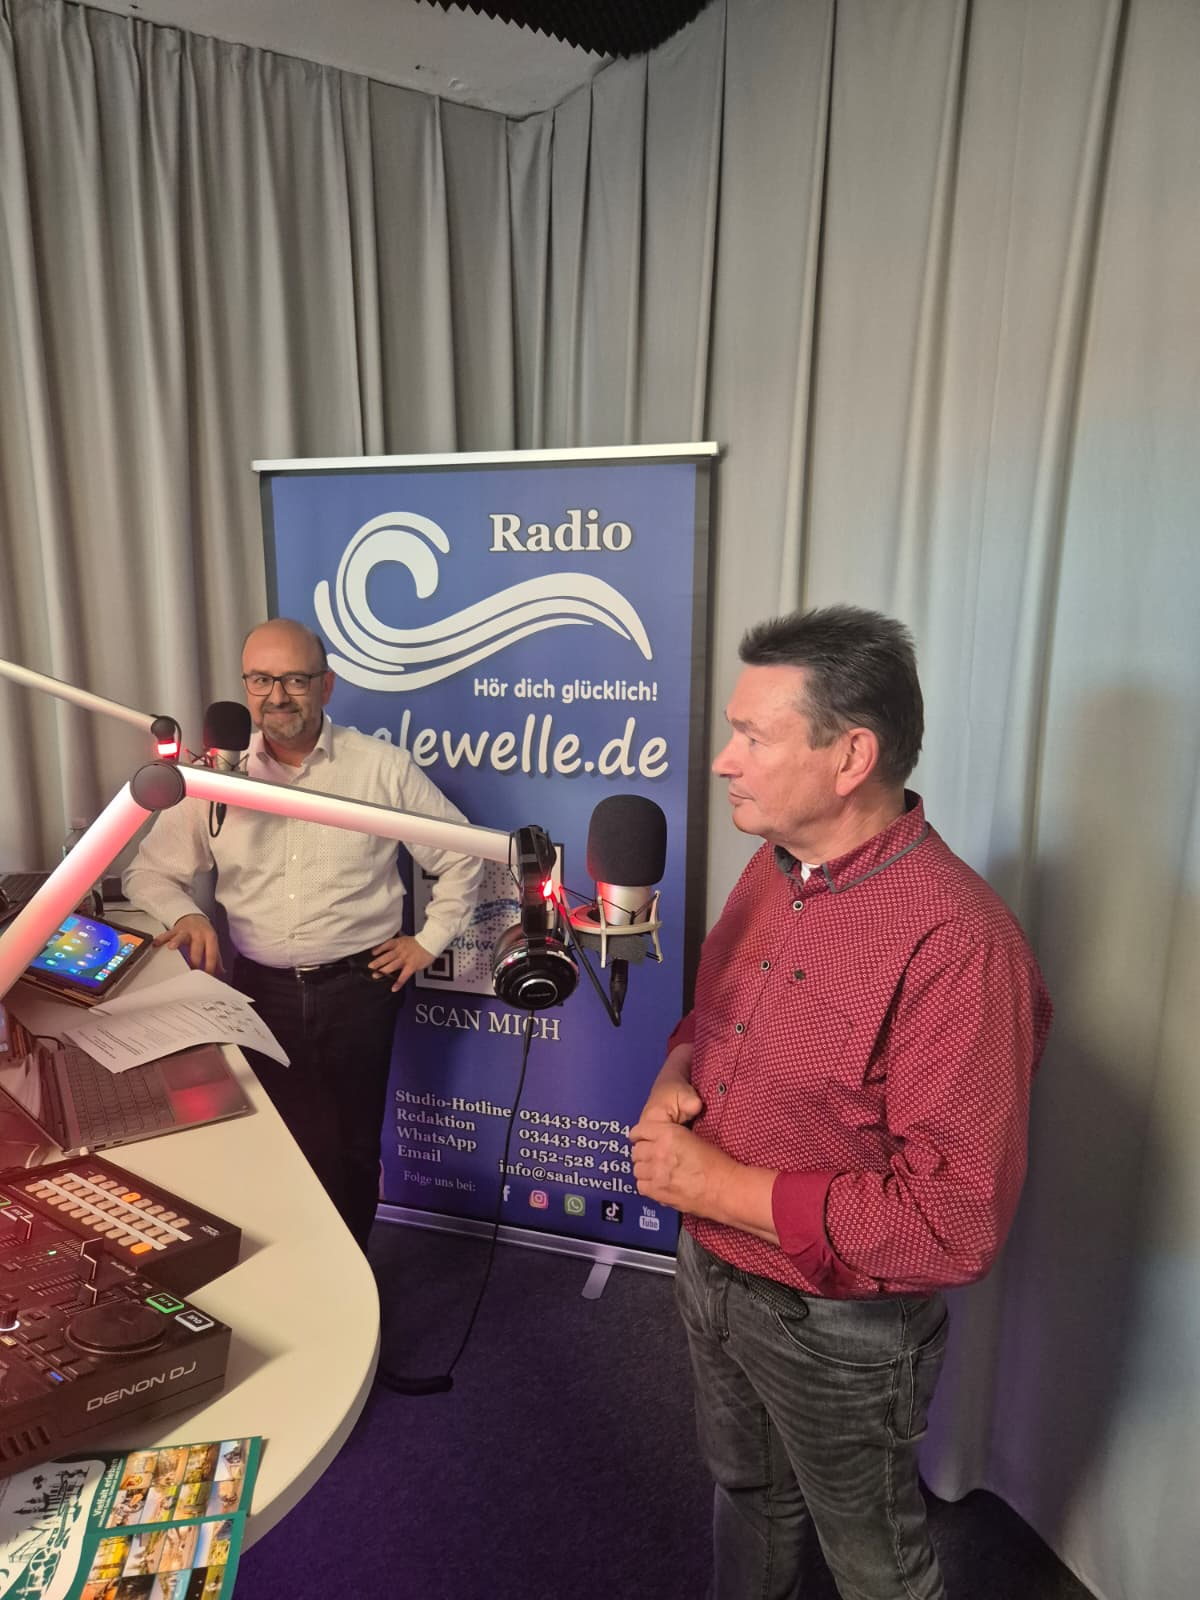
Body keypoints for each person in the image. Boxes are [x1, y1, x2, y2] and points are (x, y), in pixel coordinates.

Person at [630, 605, 1052, 1600]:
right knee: (746, 1492)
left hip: (837, 1330)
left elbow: (952, 1225)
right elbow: (714, 1016)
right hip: (711, 1275)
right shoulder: (774, 866)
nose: (724, 761)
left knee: (874, 1565)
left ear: (851, 755)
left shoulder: (961, 945)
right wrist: (675, 1074)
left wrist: (715, 1185)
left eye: (752, 736)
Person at [123, 618, 482, 1250]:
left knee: (352, 1148)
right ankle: (298, 1273)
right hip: (259, 990)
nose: (277, 696)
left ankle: (353, 1279)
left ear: (326, 685)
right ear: (245, 687)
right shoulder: (214, 777)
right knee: (275, 1144)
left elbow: (462, 855)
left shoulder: (380, 769)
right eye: (261, 680)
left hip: (361, 987)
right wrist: (188, 916)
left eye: (294, 679)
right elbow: (148, 873)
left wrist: (429, 939)